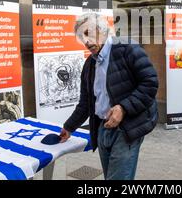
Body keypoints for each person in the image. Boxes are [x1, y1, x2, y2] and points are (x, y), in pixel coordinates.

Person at [60, 13, 159, 180]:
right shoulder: (90, 64)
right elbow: (86, 103)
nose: (86, 42)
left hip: (127, 128)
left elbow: (150, 83)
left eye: (88, 34)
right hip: (103, 128)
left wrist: (124, 108)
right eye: (81, 37)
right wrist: (69, 127)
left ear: (102, 30)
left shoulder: (127, 48)